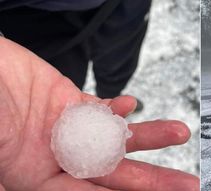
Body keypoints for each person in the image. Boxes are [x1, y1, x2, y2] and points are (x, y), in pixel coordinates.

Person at [0, 36, 199, 191]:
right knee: (65, 64)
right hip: (38, 21)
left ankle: (111, 89)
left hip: (120, 10)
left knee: (118, 59)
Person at [0, 0, 148, 111]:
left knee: (118, 58)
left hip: (120, 8)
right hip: (28, 18)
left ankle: (111, 97)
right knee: (58, 101)